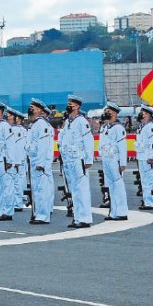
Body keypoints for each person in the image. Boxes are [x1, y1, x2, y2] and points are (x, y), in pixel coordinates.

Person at [58, 95, 95, 228]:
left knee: (82, 189)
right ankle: (77, 217)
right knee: (74, 190)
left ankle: (84, 218)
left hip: (79, 159)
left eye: (71, 104)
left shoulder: (81, 121)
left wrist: (89, 159)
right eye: (68, 103)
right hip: (69, 160)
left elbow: (88, 141)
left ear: (77, 106)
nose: (69, 106)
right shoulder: (68, 122)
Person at [26, 99, 55, 224]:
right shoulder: (35, 124)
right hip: (34, 161)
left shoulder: (41, 125)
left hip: (39, 162)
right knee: (38, 189)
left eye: (33, 107)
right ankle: (39, 213)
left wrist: (40, 163)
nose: (30, 109)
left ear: (39, 110)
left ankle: (42, 216)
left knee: (41, 189)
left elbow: (43, 146)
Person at [99, 101, 129, 220]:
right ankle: (113, 212)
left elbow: (122, 146)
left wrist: (122, 163)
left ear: (115, 114)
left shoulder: (118, 128)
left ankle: (121, 212)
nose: (106, 112)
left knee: (118, 185)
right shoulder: (104, 127)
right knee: (111, 186)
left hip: (115, 159)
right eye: (106, 110)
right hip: (106, 159)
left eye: (109, 111)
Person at [136, 105, 153, 210]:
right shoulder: (141, 127)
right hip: (141, 156)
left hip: (147, 157)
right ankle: (146, 200)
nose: (142, 114)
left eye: (144, 113)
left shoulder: (151, 127)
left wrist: (151, 156)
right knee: (144, 180)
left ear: (149, 115)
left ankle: (152, 200)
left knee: (150, 179)